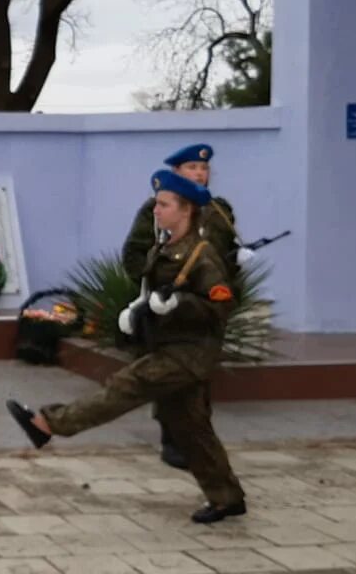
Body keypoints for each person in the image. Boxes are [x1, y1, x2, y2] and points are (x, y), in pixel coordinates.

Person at [6, 169, 247, 525]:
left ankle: (47, 424)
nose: (157, 210)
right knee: (190, 426)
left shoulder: (202, 254)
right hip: (168, 347)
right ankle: (227, 498)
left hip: (188, 354)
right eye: (158, 204)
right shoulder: (166, 248)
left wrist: (179, 304)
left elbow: (221, 305)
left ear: (185, 210)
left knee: (125, 386)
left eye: (164, 205)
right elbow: (151, 293)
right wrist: (137, 312)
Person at [121, 143, 238, 470]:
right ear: (177, 174)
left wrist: (227, 286)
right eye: (192, 168)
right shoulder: (158, 208)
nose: (200, 173)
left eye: (203, 168)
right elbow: (134, 253)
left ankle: (195, 442)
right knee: (168, 371)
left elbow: (227, 256)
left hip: (203, 306)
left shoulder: (219, 210)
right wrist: (157, 286)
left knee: (199, 373)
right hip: (166, 307)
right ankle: (172, 439)